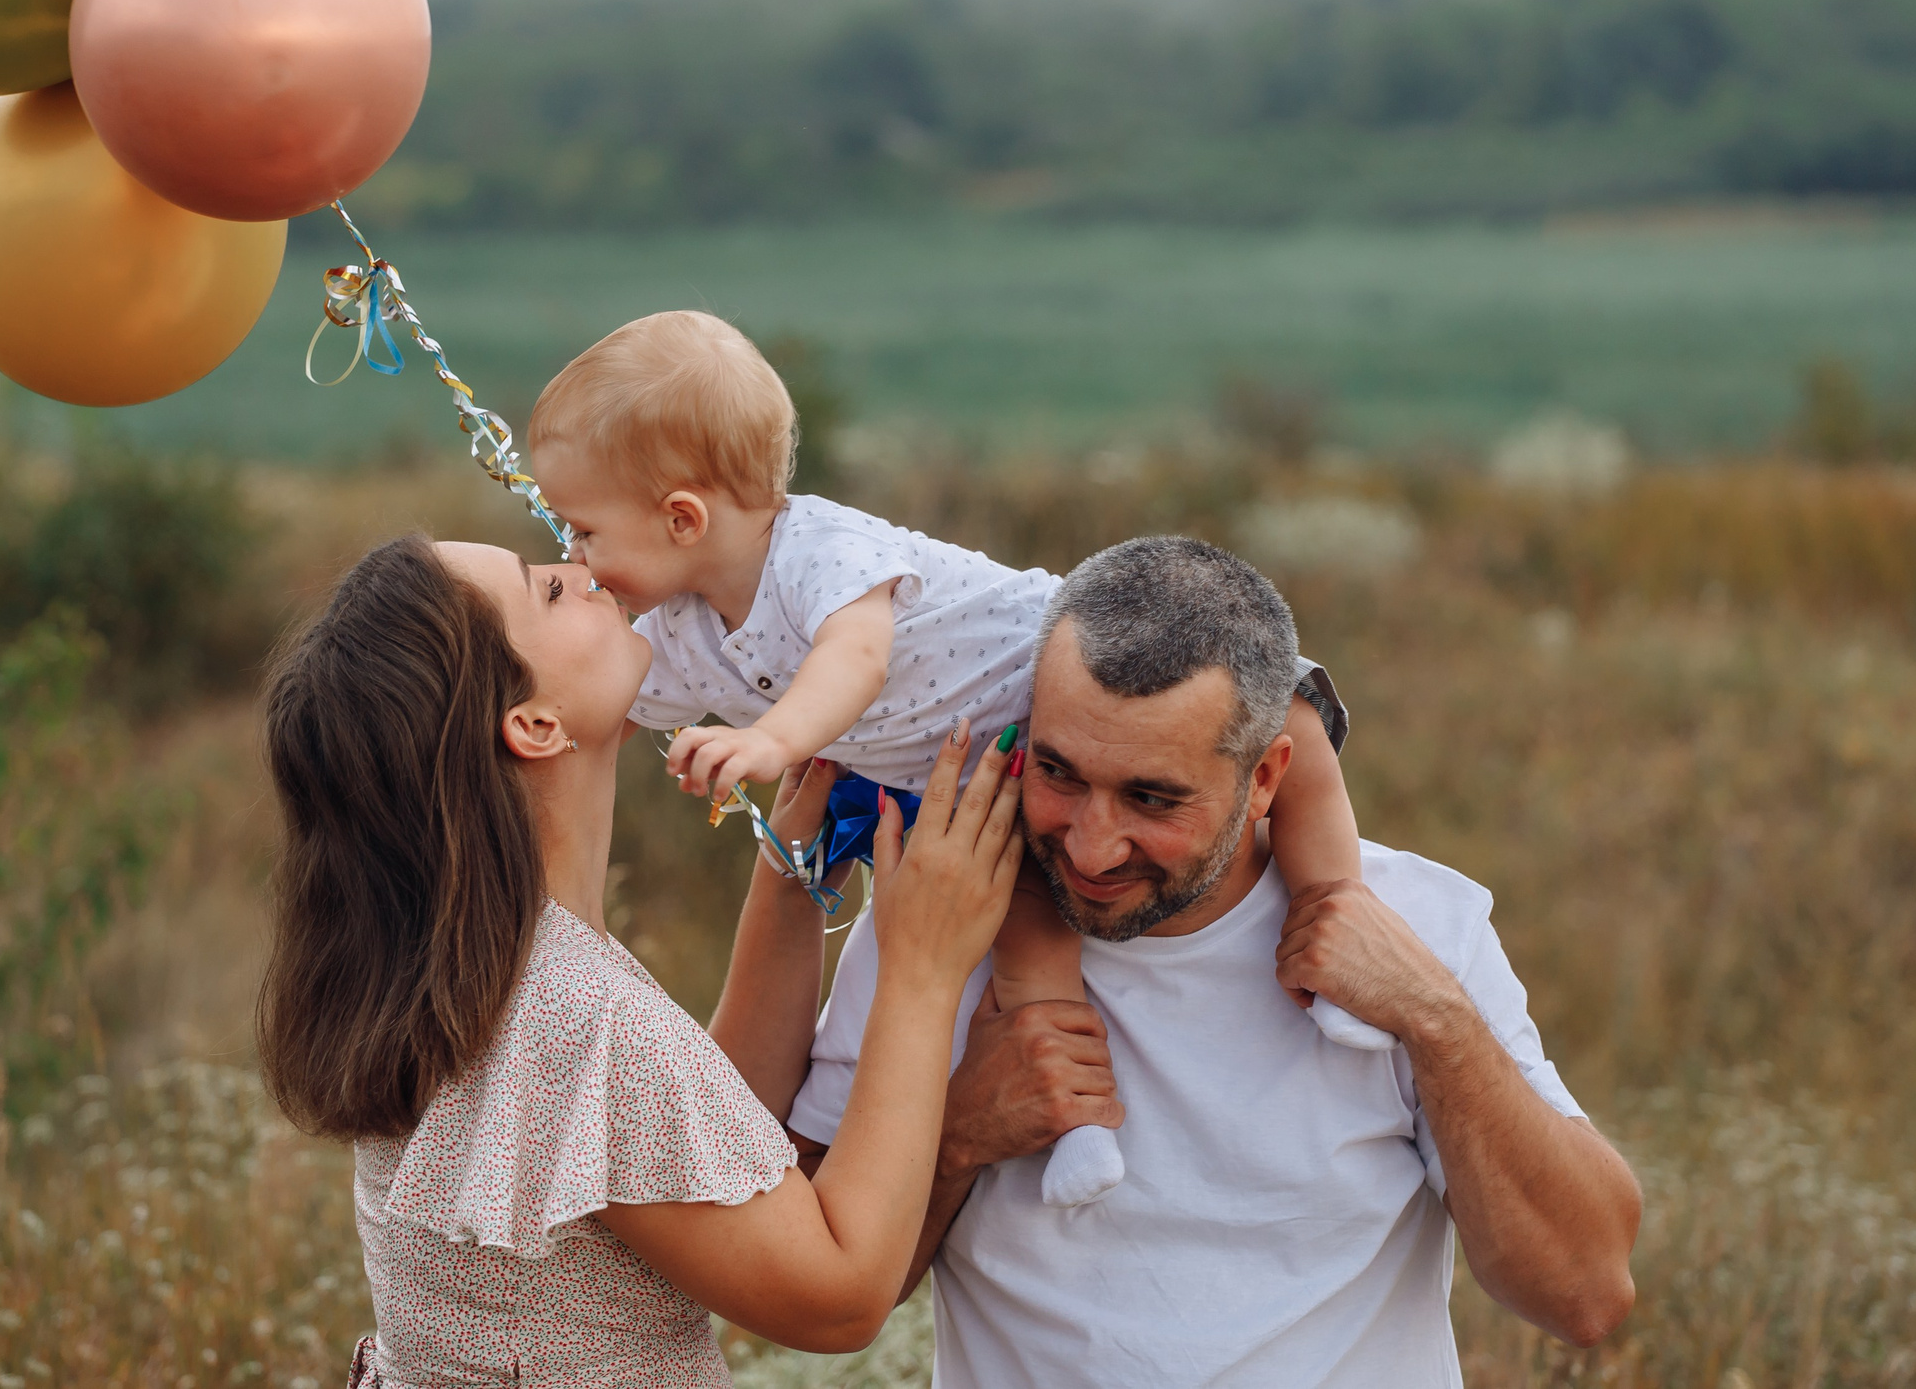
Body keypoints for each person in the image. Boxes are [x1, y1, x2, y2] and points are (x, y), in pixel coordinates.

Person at [527, 311, 1389, 1211]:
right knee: (1023, 917)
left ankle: (1335, 922)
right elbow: (598, 713)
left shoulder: (817, 551)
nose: (574, 558)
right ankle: (1083, 1129)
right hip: (989, 782)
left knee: (1291, 720)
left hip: (1072, 679)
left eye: (583, 532)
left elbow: (855, 657)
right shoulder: (682, 632)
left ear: (681, 517)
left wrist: (771, 740)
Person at [788, 536, 1643, 1388]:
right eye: (1059, 772)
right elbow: (811, 1292)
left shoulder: (1418, 930)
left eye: (1151, 797)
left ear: (1265, 776)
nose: (1090, 845)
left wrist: (1436, 1019)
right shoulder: (938, 919)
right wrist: (960, 1135)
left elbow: (1586, 1292)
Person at [253, 533, 1022, 1387]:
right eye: (547, 590)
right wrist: (922, 971)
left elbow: (691, 1144)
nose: (582, 570)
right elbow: (838, 1296)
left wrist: (790, 885)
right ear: (534, 725)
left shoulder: (498, 962)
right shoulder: (567, 1010)